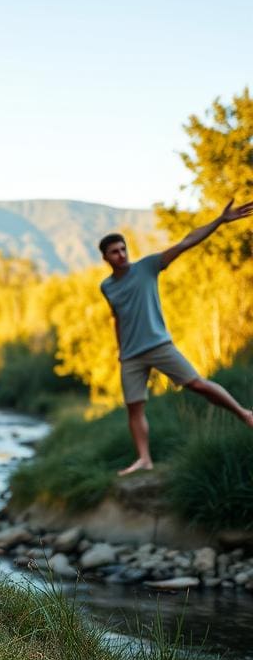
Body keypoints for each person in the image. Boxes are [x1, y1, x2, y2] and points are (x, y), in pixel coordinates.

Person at [99, 199, 253, 476]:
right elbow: (118, 317)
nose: (121, 255)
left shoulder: (147, 267)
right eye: (114, 252)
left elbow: (185, 242)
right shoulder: (106, 287)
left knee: (198, 384)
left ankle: (245, 415)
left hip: (159, 345)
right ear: (106, 258)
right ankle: (144, 459)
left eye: (123, 249)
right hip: (131, 356)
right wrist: (121, 351)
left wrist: (220, 221)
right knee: (134, 408)